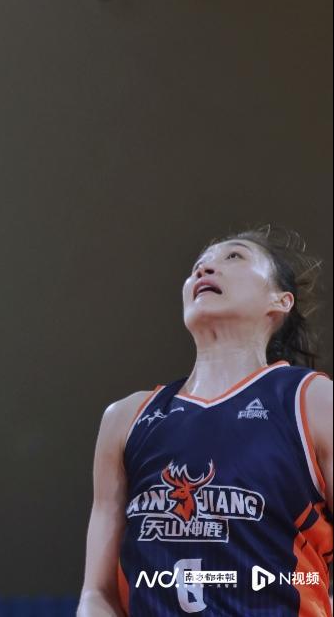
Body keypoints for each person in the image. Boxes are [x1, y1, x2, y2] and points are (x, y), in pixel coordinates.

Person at [78, 228, 332, 616]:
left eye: (234, 257)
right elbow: (97, 593)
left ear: (280, 301)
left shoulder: (311, 401)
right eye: (198, 265)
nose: (204, 269)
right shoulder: (126, 418)